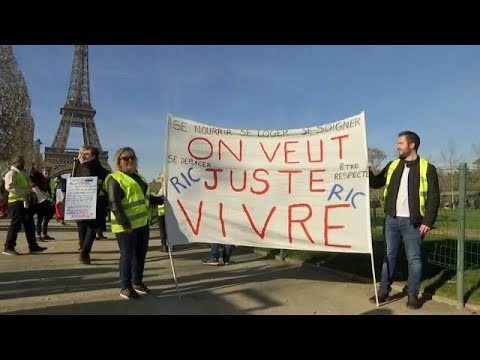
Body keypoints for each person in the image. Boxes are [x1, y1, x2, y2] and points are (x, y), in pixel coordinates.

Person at [369, 131, 440, 310]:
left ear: (412, 145)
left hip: (414, 222)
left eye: (400, 143)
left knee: (414, 258)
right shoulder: (393, 165)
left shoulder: (427, 168)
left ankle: (413, 294)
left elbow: (433, 197)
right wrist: (367, 172)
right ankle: (384, 291)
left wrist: (428, 221)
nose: (397, 146)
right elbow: (377, 183)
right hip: (391, 219)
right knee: (389, 255)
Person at [107, 147, 164, 299]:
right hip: (126, 227)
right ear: (119, 162)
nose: (130, 160)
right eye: (125, 158)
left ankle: (137, 282)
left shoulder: (140, 178)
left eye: (132, 157)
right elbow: (114, 204)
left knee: (140, 254)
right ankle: (125, 287)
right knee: (127, 255)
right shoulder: (115, 179)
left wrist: (162, 200)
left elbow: (146, 198)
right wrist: (126, 224)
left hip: (142, 223)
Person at [72, 145, 110, 264]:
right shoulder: (79, 166)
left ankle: (84, 252)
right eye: (80, 153)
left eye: (86, 153)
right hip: (86, 201)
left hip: (93, 202)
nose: (82, 155)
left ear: (93, 156)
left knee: (89, 227)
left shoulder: (89, 167)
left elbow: (86, 177)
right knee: (85, 227)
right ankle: (84, 251)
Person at [2, 156, 47, 255]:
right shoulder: (12, 173)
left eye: (23, 161)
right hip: (16, 201)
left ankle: (33, 246)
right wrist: (26, 191)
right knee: (15, 225)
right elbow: (10, 187)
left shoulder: (22, 173)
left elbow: (30, 183)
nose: (23, 163)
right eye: (20, 161)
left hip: (24, 201)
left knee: (30, 225)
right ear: (15, 162)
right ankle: (8, 247)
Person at [31, 167, 56, 241]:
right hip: (41, 201)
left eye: (48, 172)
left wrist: (53, 200)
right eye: (45, 172)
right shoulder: (39, 180)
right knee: (40, 219)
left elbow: (53, 191)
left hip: (49, 201)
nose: (47, 173)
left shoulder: (52, 181)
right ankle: (38, 235)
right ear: (42, 172)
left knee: (46, 219)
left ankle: (44, 234)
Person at [157, 172, 168, 252]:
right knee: (169, 229)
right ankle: (171, 245)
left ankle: (164, 245)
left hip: (162, 211)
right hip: (169, 211)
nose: (158, 180)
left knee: (163, 229)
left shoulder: (163, 188)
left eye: (159, 178)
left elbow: (160, 198)